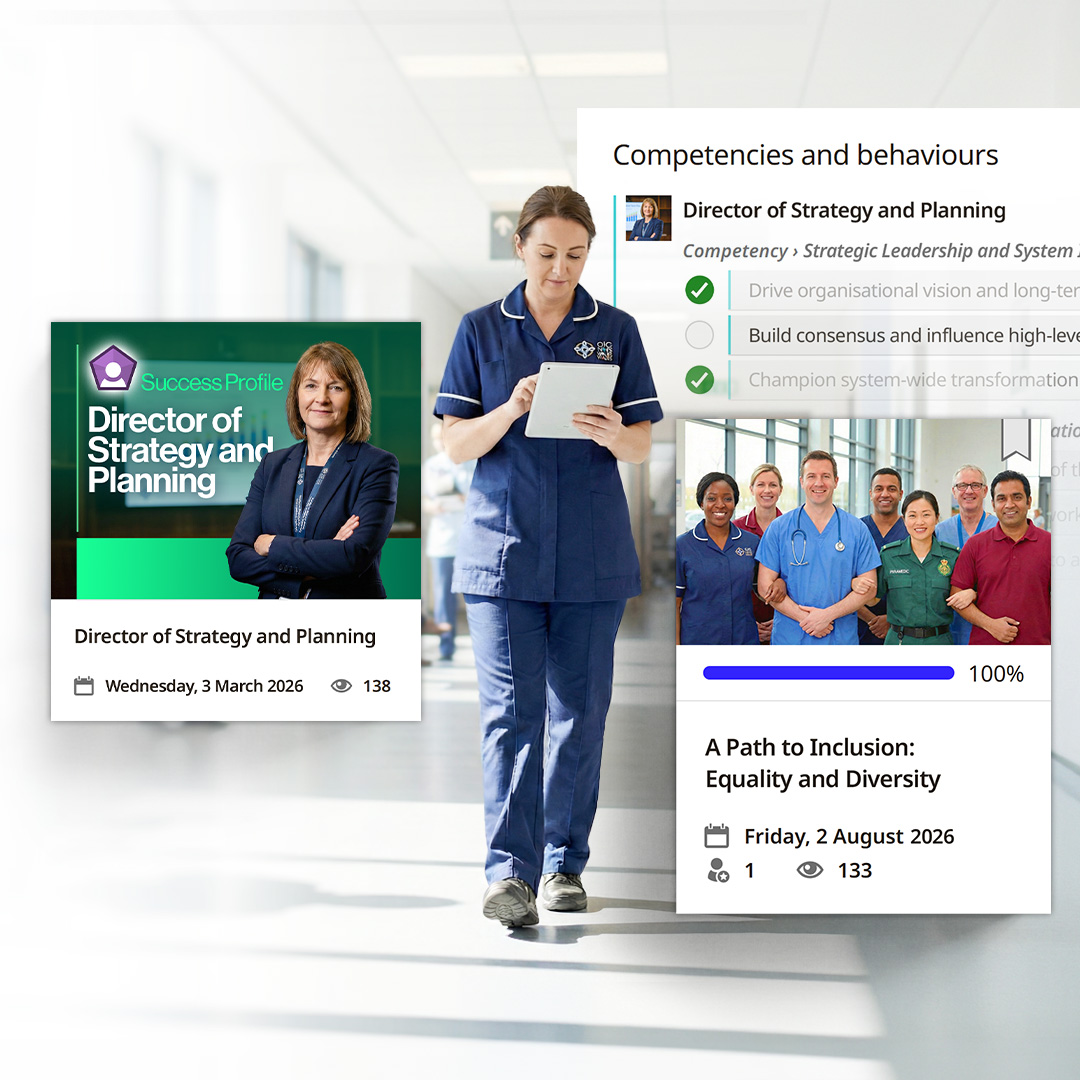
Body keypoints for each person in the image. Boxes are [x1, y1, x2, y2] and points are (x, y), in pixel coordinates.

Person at [435, 185, 663, 927]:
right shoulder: (479, 331)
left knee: (582, 714)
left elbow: (640, 442)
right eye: (546, 253)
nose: (561, 268)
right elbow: (454, 443)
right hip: (504, 556)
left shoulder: (617, 330)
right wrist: (511, 407)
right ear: (520, 248)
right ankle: (509, 873)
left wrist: (604, 429)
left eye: (575, 254)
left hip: (592, 558)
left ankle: (565, 865)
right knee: (510, 715)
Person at [226, 342, 398, 599]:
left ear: (353, 399)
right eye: (311, 385)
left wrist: (271, 544)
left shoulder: (376, 466)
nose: (322, 398)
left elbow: (352, 557)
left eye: (336, 387)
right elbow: (238, 558)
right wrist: (322, 559)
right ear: (297, 395)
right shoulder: (272, 465)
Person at [756, 450, 880, 645]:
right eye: (811, 476)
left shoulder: (856, 529)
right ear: (802, 481)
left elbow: (869, 588)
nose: (818, 483)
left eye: (826, 476)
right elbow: (765, 587)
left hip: (840, 641)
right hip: (791, 640)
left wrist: (827, 616)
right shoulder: (780, 528)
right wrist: (807, 619)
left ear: (836, 481)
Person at [950, 470, 1052, 645]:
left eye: (1017, 497)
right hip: (986, 652)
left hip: (1038, 649)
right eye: (1002, 498)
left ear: (1029, 501)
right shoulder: (975, 545)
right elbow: (956, 597)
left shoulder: (1051, 545)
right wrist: (990, 625)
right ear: (993, 503)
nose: (1009, 504)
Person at [875, 491, 974, 645]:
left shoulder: (952, 556)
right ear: (904, 520)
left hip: (939, 641)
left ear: (936, 518)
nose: (919, 522)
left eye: (926, 515)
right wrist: (858, 585)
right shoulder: (889, 556)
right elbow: (872, 599)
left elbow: (974, 590)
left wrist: (972, 593)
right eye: (913, 515)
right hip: (900, 642)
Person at [676, 472, 760, 645]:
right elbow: (675, 605)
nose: (720, 505)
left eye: (727, 499)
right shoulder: (683, 545)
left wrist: (780, 584)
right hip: (699, 642)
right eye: (712, 498)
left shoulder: (751, 543)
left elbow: (765, 587)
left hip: (743, 640)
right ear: (701, 503)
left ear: (735, 503)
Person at [423, 422, 474, 661]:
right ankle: (446, 648)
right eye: (435, 439)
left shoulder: (472, 461)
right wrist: (432, 506)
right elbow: (422, 500)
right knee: (443, 596)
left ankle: (480, 648)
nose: (438, 443)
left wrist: (468, 500)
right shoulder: (431, 466)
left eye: (441, 437)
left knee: (476, 596)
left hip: (471, 541)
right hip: (442, 541)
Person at [935, 464, 997, 645]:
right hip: (949, 621)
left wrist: (975, 592)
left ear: (985, 491)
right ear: (954, 492)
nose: (968, 491)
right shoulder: (940, 531)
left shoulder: (998, 529)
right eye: (962, 486)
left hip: (989, 620)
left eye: (975, 485)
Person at [733, 463, 785, 643]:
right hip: (744, 621)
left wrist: (781, 621)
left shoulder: (792, 528)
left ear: (780, 490)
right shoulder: (736, 529)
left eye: (773, 485)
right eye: (760, 484)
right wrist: (747, 622)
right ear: (751, 489)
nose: (767, 490)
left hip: (785, 618)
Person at [857, 468, 908, 644]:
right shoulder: (856, 530)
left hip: (905, 626)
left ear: (901, 494)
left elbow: (923, 584)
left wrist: (891, 621)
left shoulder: (914, 531)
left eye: (891, 489)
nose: (885, 494)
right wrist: (871, 619)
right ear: (871, 494)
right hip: (861, 624)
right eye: (879, 489)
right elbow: (842, 583)